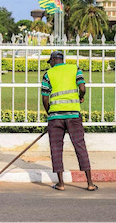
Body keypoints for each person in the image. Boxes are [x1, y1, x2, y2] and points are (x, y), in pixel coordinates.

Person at [41, 51, 98, 191]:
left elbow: (45, 98)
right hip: (73, 115)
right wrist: (81, 96)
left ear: (53, 60)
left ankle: (61, 184)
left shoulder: (48, 74)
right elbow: (82, 87)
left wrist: (50, 114)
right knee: (80, 146)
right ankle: (90, 183)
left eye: (51, 62)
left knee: (56, 148)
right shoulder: (75, 69)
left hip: (55, 117)